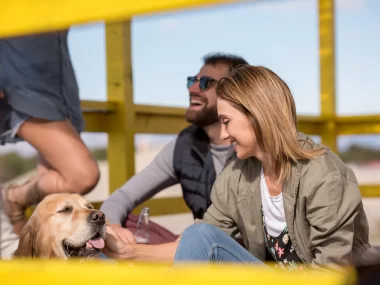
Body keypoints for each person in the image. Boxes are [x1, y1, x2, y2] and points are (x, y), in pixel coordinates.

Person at [102, 64, 377, 271]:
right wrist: (128, 252)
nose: (223, 135)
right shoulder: (237, 174)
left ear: (256, 117)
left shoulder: (323, 175)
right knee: (194, 235)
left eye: (226, 121)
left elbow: (332, 271)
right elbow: (197, 244)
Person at [100, 53, 248, 231]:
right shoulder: (183, 147)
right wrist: (114, 230)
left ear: (235, 93)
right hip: (202, 246)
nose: (192, 88)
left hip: (245, 252)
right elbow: (122, 197)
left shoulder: (257, 146)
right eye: (192, 80)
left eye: (205, 83)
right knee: (123, 224)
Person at [0, 30, 100, 236]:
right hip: (21, 84)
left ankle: (33, 263)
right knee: (82, 175)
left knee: (54, 199)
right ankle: (14, 197)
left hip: (58, 83)